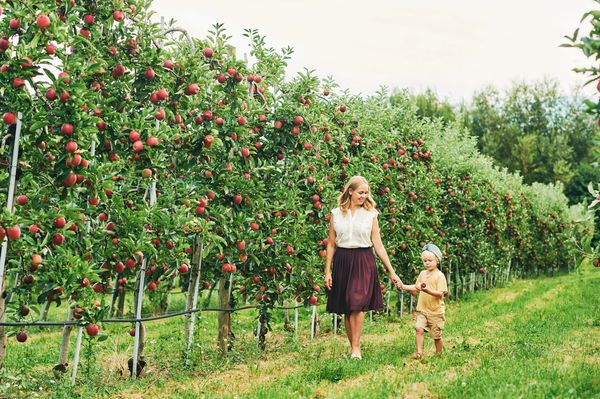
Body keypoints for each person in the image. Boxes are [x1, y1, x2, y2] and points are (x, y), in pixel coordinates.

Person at [324, 175, 402, 360]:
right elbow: (331, 244)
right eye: (360, 192)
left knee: (356, 301)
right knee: (347, 306)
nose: (364, 196)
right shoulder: (336, 214)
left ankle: (356, 349)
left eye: (366, 193)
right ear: (350, 191)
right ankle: (353, 348)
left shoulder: (371, 215)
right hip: (342, 260)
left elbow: (378, 244)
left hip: (363, 259)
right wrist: (327, 271)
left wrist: (391, 271)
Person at [398, 243, 448, 359]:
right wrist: (404, 286)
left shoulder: (440, 276)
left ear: (437, 260)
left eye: (430, 260)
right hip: (422, 310)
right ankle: (419, 353)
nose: (427, 263)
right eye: (425, 260)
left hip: (436, 312)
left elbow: (440, 294)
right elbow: (417, 287)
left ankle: (439, 354)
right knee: (418, 329)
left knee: (436, 336)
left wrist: (427, 290)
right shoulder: (422, 274)